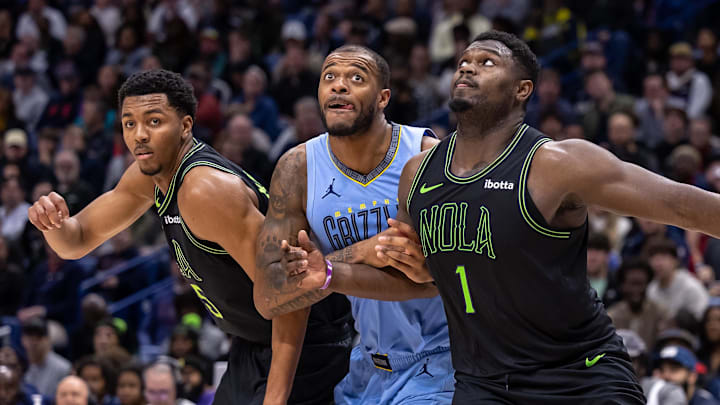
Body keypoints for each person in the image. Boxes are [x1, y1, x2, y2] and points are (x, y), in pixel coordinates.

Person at [385, 30, 674, 402]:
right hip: (484, 382)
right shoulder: (417, 174)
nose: (468, 68)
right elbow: (424, 278)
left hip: (579, 372)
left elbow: (679, 204)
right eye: (463, 63)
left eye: (486, 62)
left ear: (522, 90)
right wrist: (328, 272)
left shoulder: (556, 164)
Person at [26, 69, 344, 404]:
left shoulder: (204, 191)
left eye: (154, 121)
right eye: (129, 123)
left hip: (309, 345)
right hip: (254, 343)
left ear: (186, 126)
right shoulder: (149, 175)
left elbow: (290, 301)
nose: (139, 135)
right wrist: (54, 225)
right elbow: (77, 241)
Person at [255, 45, 453, 404]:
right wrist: (363, 251)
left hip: (442, 359)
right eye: (329, 77)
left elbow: (438, 280)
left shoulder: (426, 156)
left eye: (355, 78)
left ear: (383, 98)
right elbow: (271, 299)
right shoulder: (296, 168)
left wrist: (328, 272)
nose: (338, 86)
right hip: (367, 366)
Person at [20, 316, 71, 398]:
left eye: (39, 337)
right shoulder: (18, 365)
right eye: (30, 336)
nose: (34, 342)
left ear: (48, 339)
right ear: (22, 339)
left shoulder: (63, 368)